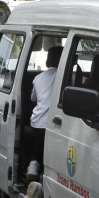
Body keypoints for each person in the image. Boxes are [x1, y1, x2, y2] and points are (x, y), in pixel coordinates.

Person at [26, 46, 63, 183]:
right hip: (54, 123)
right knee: (51, 150)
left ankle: (33, 166)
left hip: (37, 121)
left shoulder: (38, 78)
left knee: (39, 144)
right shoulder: (67, 76)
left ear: (47, 63)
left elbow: (33, 99)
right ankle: (43, 177)